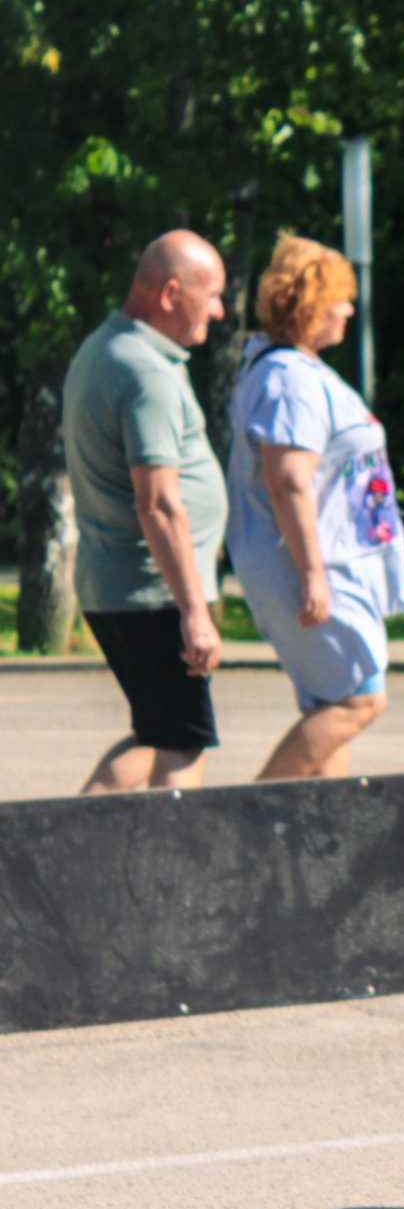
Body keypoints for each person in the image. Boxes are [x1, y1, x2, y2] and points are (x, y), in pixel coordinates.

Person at [225, 232, 404, 780]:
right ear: (310, 304)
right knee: (358, 699)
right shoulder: (288, 380)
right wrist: (313, 575)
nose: (349, 309)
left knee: (331, 702)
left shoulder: (294, 371)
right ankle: (249, 817)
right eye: (339, 298)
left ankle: (322, 821)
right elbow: (288, 482)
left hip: (325, 564)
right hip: (309, 568)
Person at [63, 231, 230, 793]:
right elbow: (157, 503)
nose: (219, 311)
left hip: (120, 583)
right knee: (181, 742)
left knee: (156, 732)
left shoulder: (105, 347)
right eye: (211, 295)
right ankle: (171, 848)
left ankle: (69, 838)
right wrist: (194, 612)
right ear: (170, 294)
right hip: (151, 591)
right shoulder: (145, 373)